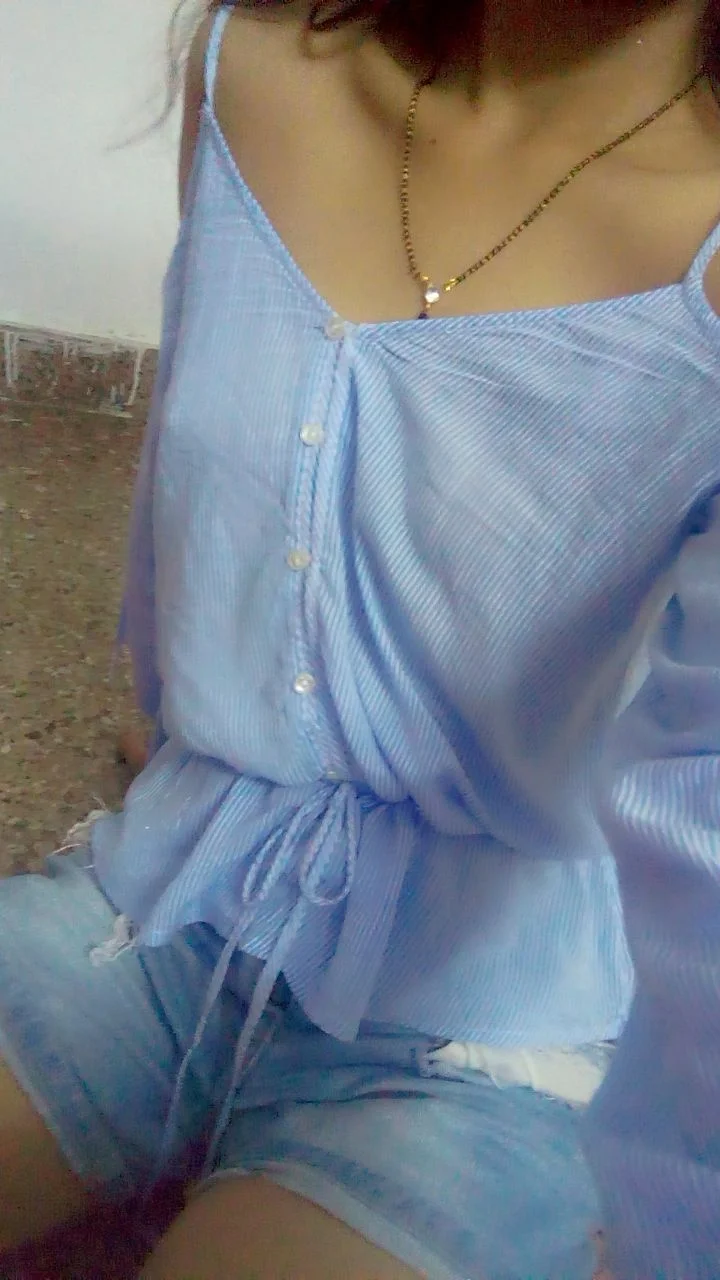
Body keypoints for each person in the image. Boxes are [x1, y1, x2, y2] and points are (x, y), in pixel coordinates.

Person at [1, 1, 719, 1276]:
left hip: (499, 1027)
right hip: (180, 885)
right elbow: (201, 504)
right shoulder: (250, 67)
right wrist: (223, 730)